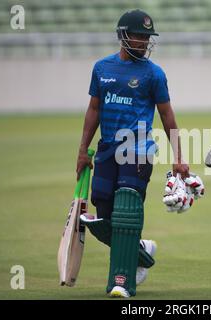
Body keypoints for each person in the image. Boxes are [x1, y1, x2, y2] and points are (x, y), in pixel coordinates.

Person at [75, 9, 189, 298]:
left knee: (126, 212)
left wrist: (179, 156)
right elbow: (93, 110)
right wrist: (82, 151)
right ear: (123, 35)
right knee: (104, 217)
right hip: (106, 150)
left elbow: (167, 116)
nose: (143, 42)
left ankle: (121, 281)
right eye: (139, 35)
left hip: (137, 152)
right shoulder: (102, 68)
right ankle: (141, 251)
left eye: (147, 37)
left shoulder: (154, 73)